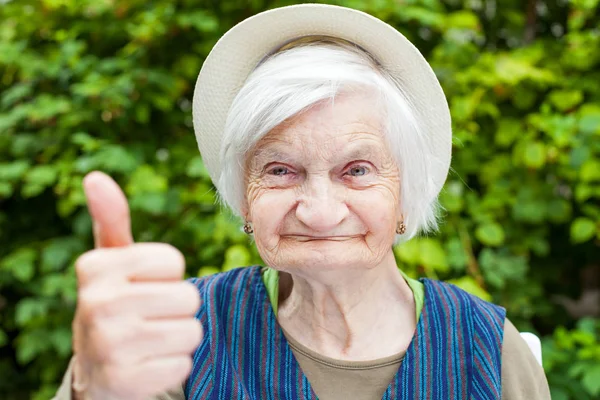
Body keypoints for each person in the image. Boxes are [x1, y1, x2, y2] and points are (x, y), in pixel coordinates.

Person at [53, 4, 550, 400]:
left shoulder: (487, 345)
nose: (319, 210)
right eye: (280, 171)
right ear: (245, 201)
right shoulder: (176, 335)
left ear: (405, 195)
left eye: (356, 170)